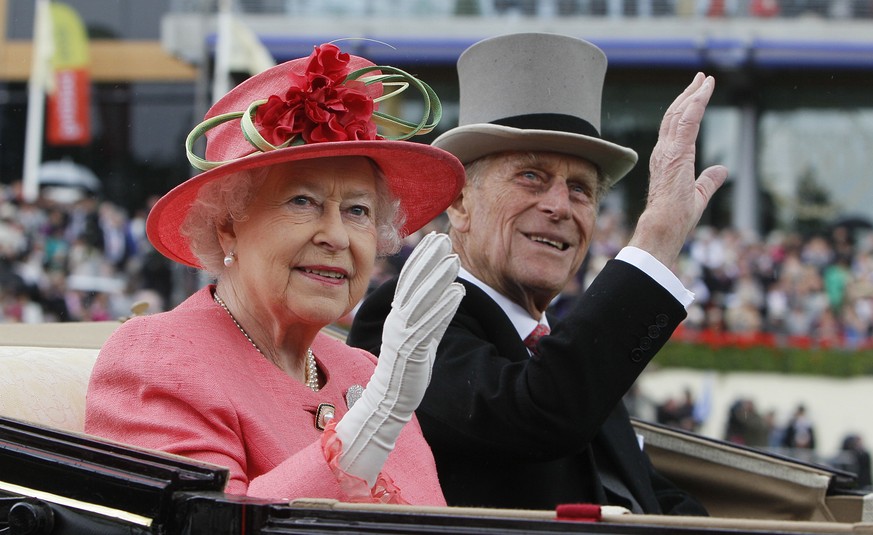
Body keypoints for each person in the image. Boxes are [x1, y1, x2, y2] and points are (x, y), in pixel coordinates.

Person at [348, 32, 728, 513]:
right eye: (531, 176)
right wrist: (654, 243)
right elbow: (537, 415)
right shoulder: (405, 315)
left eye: (580, 189)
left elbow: (647, 496)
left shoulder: (561, 349)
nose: (558, 206)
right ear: (460, 202)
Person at [85, 43, 467, 505]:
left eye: (358, 210)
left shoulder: (362, 370)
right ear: (227, 226)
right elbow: (203, 522)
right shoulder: (157, 357)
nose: (337, 236)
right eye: (302, 202)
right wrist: (372, 421)